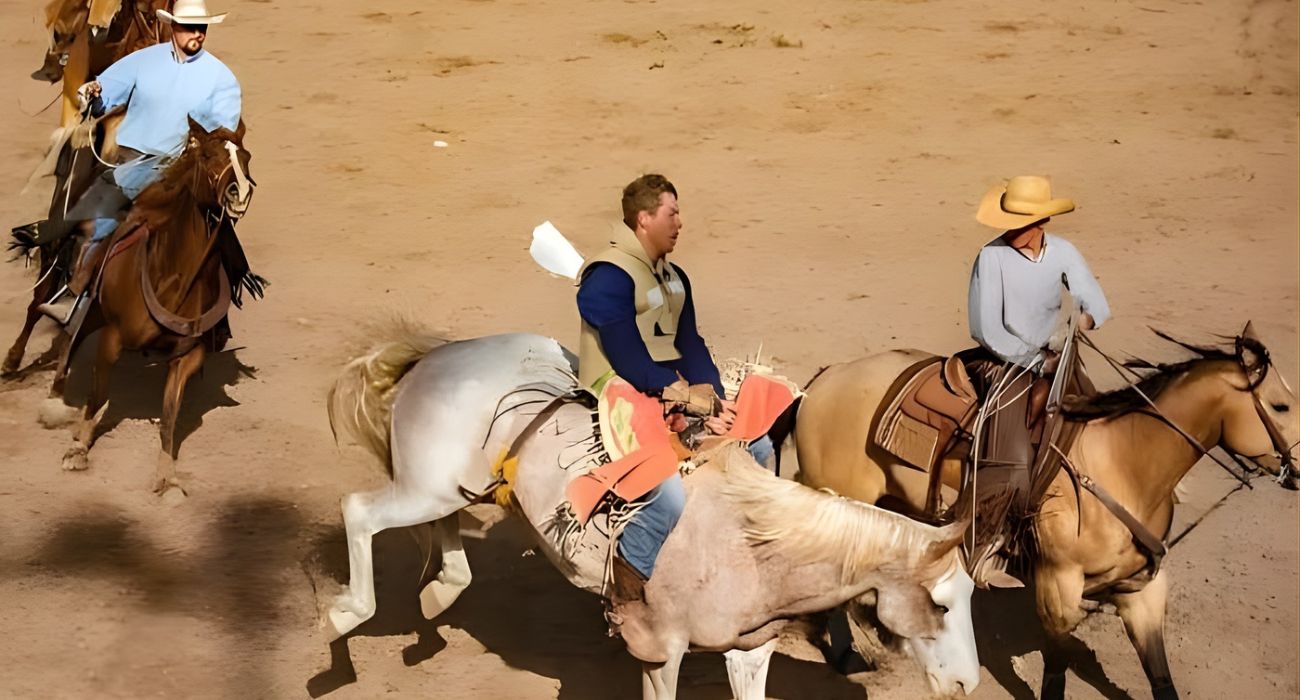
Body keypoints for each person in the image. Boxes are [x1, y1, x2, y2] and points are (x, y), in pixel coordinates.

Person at [576, 173, 772, 591]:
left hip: (671, 388)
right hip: (619, 392)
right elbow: (628, 359)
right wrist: (693, 403)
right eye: (672, 213)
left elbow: (691, 343)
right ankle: (627, 589)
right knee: (665, 493)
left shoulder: (674, 277)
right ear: (644, 219)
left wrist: (715, 397)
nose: (680, 223)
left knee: (757, 445)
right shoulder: (608, 277)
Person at [38, 0, 240, 326]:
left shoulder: (220, 76)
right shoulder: (142, 61)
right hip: (136, 162)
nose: (197, 34)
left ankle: (218, 308)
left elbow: (225, 127)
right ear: (172, 27)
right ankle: (74, 292)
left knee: (217, 223)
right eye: (189, 27)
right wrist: (95, 92)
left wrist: (204, 145)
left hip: (187, 164)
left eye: (201, 28)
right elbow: (109, 89)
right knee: (97, 221)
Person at [966, 175, 1110, 504]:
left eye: (1022, 223)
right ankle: (998, 498)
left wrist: (1077, 324)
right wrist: (1035, 360)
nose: (1012, 230)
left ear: (1042, 222)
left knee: (1093, 412)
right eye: (1010, 223)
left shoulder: (1063, 252)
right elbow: (985, 328)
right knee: (1012, 426)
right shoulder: (990, 257)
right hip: (1004, 361)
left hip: (1056, 356)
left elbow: (1097, 305)